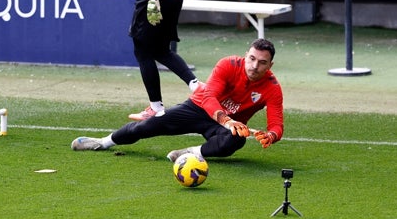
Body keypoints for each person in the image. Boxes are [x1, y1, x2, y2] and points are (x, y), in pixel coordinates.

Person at [71, 39, 283, 161]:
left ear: (270, 65)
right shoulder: (228, 64)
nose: (254, 66)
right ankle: (102, 142)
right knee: (146, 127)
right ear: (246, 55)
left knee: (236, 140)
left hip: (225, 125)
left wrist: (271, 136)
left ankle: (189, 153)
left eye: (262, 62)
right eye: (252, 59)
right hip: (198, 108)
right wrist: (227, 120)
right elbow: (208, 96)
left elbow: (276, 125)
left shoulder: (272, 88)